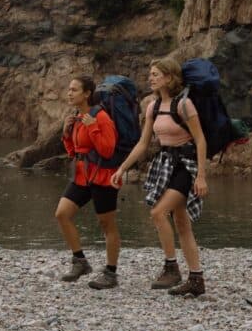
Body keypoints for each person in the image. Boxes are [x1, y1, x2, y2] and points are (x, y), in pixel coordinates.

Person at [112, 57, 208, 296]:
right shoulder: (153, 107)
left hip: (186, 165)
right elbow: (143, 144)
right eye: (150, 74)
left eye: (155, 74)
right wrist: (122, 168)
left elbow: (200, 140)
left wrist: (202, 177)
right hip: (165, 164)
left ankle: (171, 268)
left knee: (157, 212)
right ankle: (196, 279)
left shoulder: (185, 105)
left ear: (169, 77)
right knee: (182, 223)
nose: (151, 77)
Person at [54, 76, 122, 289]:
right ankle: (80, 261)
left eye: (74, 90)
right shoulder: (76, 116)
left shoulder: (101, 117)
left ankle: (111, 273)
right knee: (62, 214)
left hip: (102, 177)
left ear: (87, 93)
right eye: (69, 89)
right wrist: (66, 134)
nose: (69, 93)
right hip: (82, 176)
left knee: (106, 224)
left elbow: (107, 150)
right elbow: (74, 152)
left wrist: (93, 127)